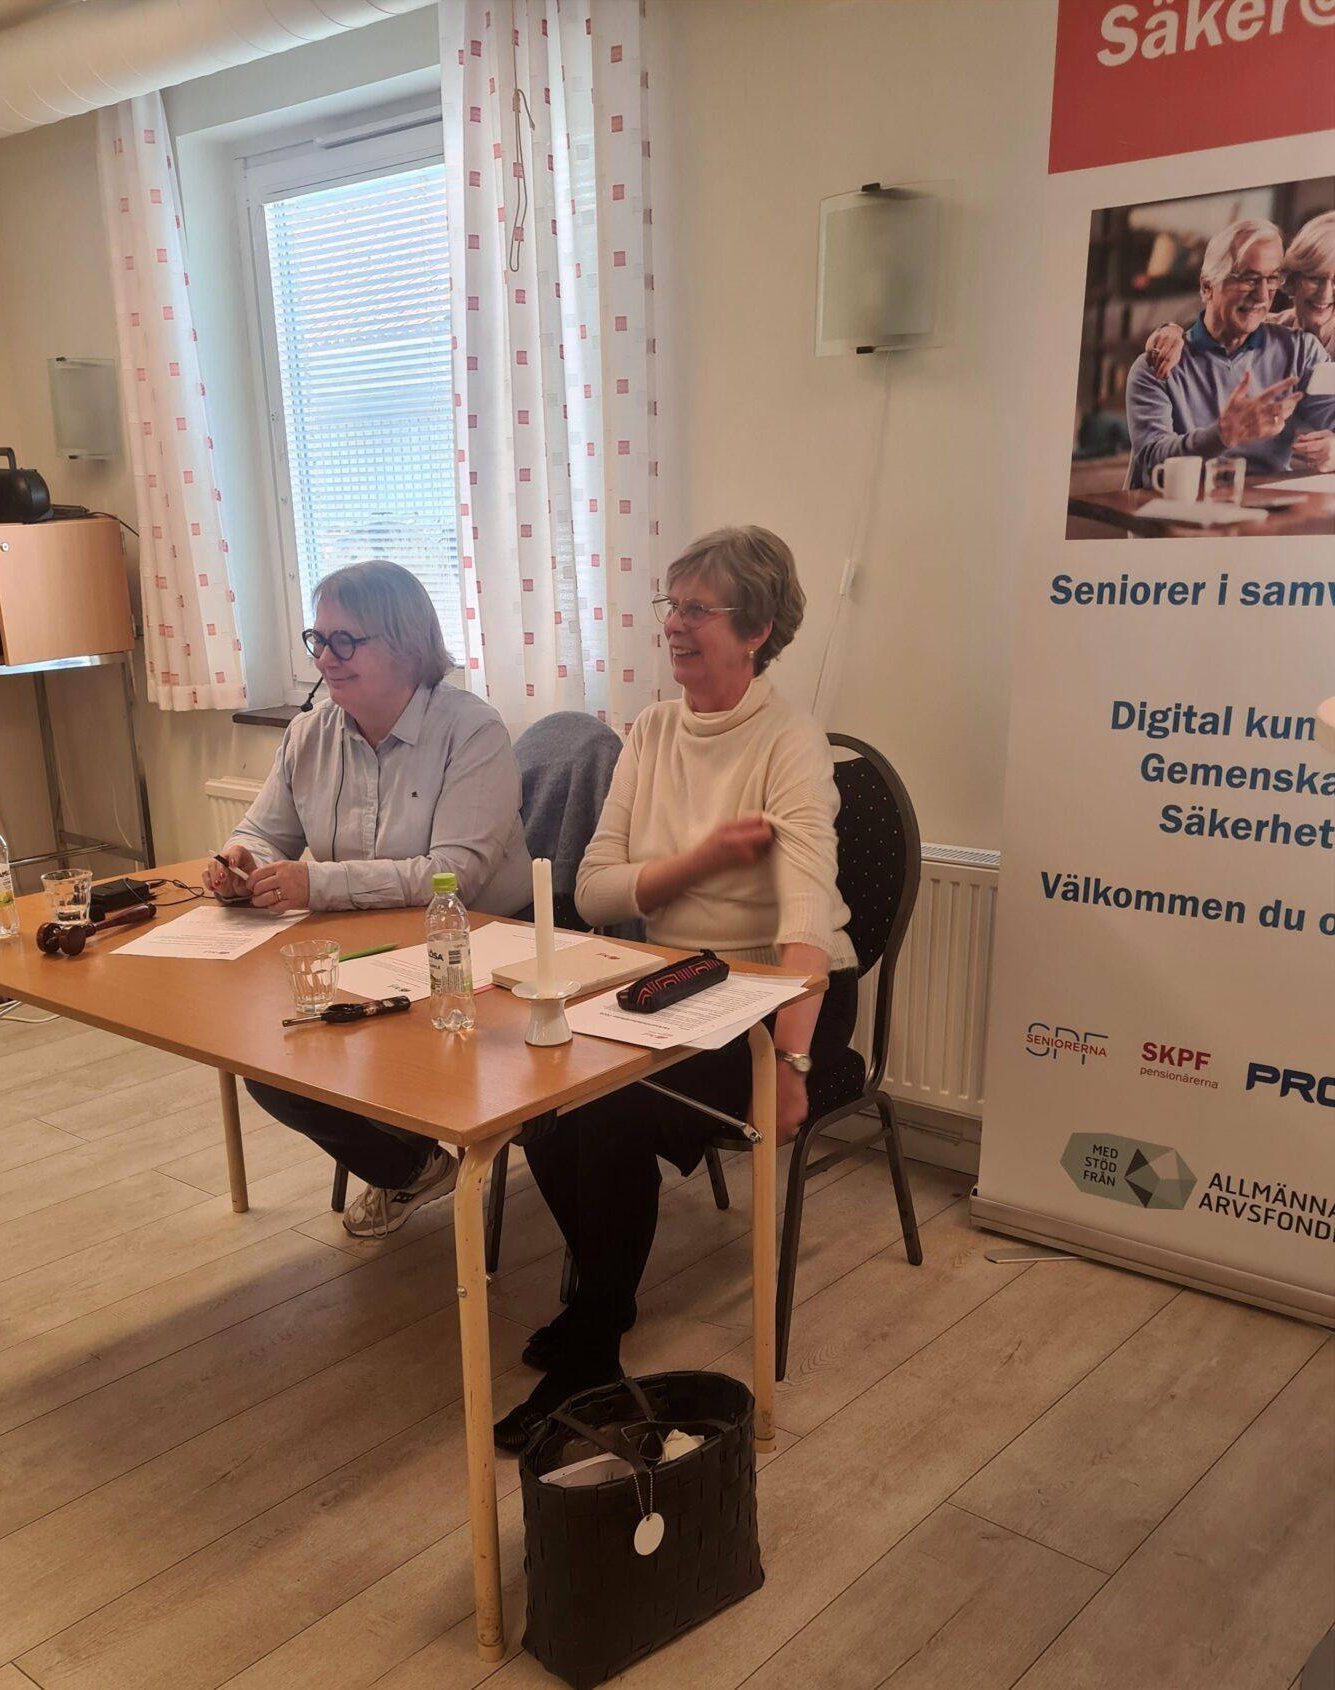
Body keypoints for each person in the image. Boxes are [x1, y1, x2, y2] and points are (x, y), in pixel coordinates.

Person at [494, 525, 862, 1452]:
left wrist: (791, 1064)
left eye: (699, 610)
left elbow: (805, 927)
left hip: (784, 993)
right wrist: (700, 861)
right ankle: (602, 1306)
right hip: (677, 982)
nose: (673, 624)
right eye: (672, 604)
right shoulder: (653, 729)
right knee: (545, 1093)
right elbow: (594, 889)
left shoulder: (791, 743)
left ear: (756, 630)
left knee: (610, 1112)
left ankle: (592, 1346)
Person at [203, 559, 532, 1239]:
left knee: (349, 1048)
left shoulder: (472, 730)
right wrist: (240, 861)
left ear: (407, 644)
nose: (326, 657)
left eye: (346, 640)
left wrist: (316, 884)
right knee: (271, 1064)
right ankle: (412, 1166)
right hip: (368, 951)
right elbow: (262, 831)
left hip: (481, 956)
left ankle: (414, 1146)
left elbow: (454, 876)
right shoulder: (310, 732)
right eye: (317, 639)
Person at [1124, 217, 1335, 490]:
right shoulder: (1157, 364)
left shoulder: (1301, 351)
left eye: (1271, 279)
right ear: (1206, 287)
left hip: (1269, 508)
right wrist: (1222, 434)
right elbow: (1153, 459)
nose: (1262, 296)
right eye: (1248, 279)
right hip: (1186, 506)